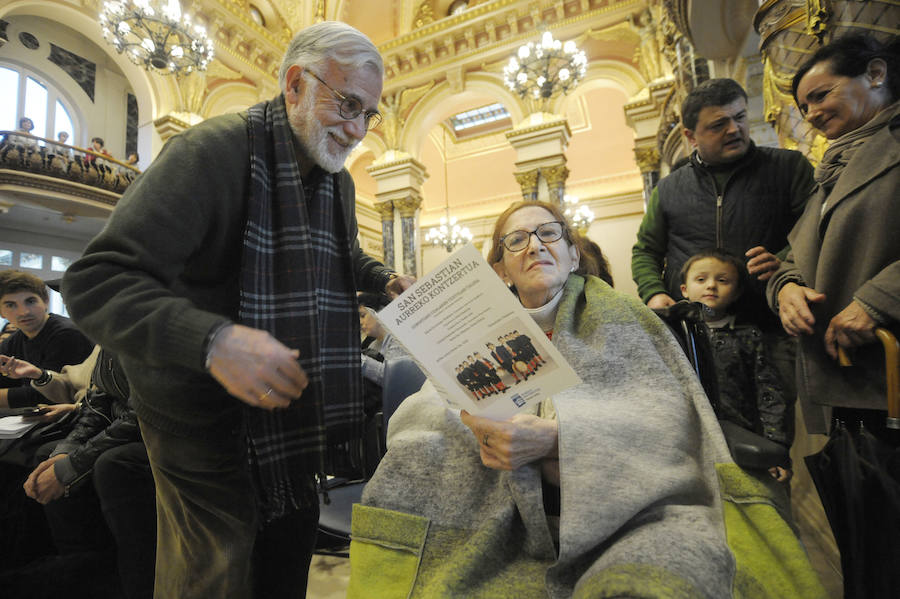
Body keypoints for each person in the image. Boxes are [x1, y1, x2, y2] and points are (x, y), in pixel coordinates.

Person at [61, 21, 413, 599]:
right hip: (196, 421)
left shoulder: (337, 182)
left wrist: (384, 279)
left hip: (293, 411)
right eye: (347, 103)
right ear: (296, 83)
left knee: (286, 557)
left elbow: (343, 255)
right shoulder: (210, 152)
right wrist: (214, 341)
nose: (357, 129)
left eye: (368, 114)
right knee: (213, 573)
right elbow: (98, 280)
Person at [350, 201, 826, 598]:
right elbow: (420, 420)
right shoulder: (469, 333)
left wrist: (563, 439)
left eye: (549, 233)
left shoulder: (625, 317)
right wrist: (470, 425)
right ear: (500, 270)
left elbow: (669, 417)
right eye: (516, 240)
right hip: (486, 514)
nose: (534, 245)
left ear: (574, 256)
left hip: (635, 514)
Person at [767, 35, 899, 597]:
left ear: (874, 73)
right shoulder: (834, 165)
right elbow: (795, 256)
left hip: (890, 379)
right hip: (849, 386)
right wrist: (785, 287)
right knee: (869, 551)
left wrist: (877, 301)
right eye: (803, 108)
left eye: (821, 95)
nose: (813, 115)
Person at [631, 79, 814, 326]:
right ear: (691, 136)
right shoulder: (668, 188)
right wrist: (654, 292)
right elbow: (646, 251)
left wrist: (784, 261)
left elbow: (816, 229)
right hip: (695, 330)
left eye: (739, 117)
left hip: (771, 320)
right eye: (718, 125)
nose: (734, 129)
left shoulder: (789, 167)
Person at [678, 249, 793, 486]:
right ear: (684, 289)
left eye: (722, 280)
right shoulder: (674, 337)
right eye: (701, 279)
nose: (711, 286)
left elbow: (769, 393)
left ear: (737, 291)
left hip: (740, 439)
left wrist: (775, 446)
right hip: (687, 442)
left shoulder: (749, 336)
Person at [0, 270, 95, 409]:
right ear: (1, 312)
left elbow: (51, 395)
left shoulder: (67, 334)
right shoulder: (14, 341)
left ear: (45, 301)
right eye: (11, 305)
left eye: (30, 301)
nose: (24, 312)